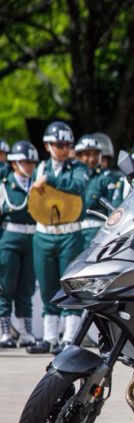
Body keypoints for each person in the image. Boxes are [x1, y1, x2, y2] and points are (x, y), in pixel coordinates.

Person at [26, 122, 88, 355]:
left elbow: (79, 186)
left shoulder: (76, 167)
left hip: (70, 234)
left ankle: (70, 337)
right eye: (58, 145)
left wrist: (50, 180)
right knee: (48, 287)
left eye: (66, 145)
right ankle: (50, 337)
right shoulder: (39, 168)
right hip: (44, 234)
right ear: (47, 146)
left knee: (69, 285)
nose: (63, 149)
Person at [0, 141, 40, 348]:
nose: (30, 166)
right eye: (25, 161)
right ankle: (4, 331)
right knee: (5, 286)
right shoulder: (4, 186)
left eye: (32, 162)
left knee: (26, 289)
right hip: (9, 240)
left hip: (32, 240)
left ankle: (26, 332)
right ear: (14, 164)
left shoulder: (38, 186)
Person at [75, 134, 121, 247]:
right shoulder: (70, 175)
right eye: (87, 154)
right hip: (70, 235)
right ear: (78, 156)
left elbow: (114, 209)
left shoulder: (105, 178)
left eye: (95, 154)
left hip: (95, 234)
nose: (91, 159)